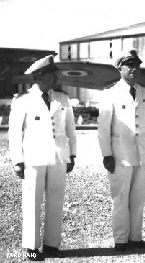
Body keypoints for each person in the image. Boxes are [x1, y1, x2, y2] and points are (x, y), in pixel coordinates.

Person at [8, 55, 76, 261]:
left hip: (58, 156)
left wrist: (72, 154)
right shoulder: (24, 100)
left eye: (54, 74)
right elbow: (14, 133)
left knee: (56, 201)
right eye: (50, 74)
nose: (54, 77)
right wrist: (17, 160)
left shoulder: (62, 98)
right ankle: (31, 247)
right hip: (33, 158)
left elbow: (70, 129)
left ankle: (51, 244)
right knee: (32, 202)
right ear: (39, 76)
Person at [98, 50, 145, 251]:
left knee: (139, 198)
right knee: (120, 198)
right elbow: (103, 128)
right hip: (120, 154)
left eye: (136, 65)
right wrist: (106, 154)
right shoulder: (110, 93)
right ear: (120, 68)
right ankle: (121, 240)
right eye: (129, 65)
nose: (134, 69)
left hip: (142, 153)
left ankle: (136, 237)